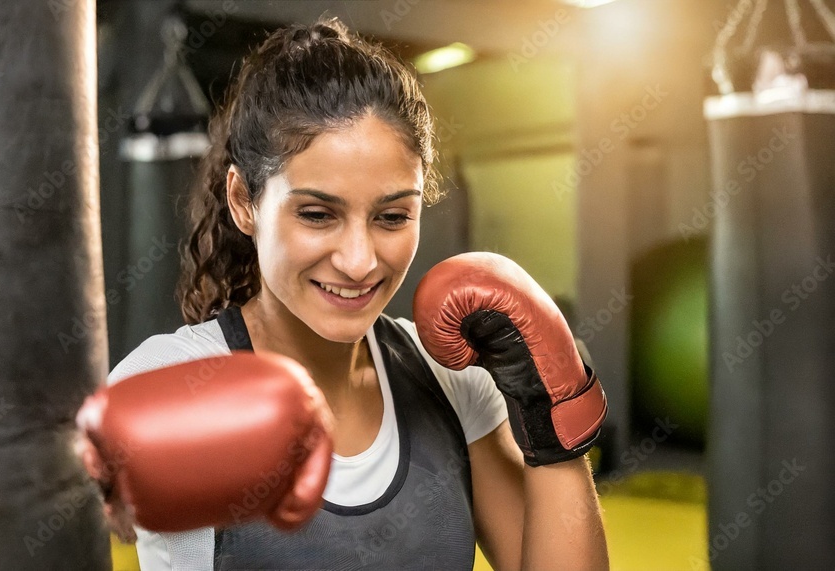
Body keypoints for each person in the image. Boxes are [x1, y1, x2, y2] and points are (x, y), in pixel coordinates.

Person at [95, 17, 609, 570]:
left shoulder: (449, 380)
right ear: (245, 201)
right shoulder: (173, 382)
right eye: (317, 214)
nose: (360, 261)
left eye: (392, 216)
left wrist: (553, 426)